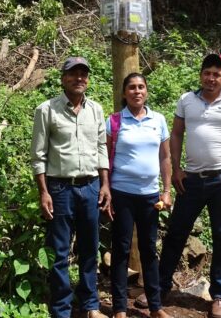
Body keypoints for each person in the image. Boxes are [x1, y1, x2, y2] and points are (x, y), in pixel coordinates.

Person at [138, 53, 221, 318]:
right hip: (191, 179)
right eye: (207, 73)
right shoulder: (186, 100)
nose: (211, 78)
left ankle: (220, 295)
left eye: (217, 74)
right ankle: (160, 288)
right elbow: (177, 134)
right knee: (176, 233)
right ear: (201, 75)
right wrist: (177, 169)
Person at [30, 56, 111, 318]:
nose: (79, 78)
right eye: (73, 74)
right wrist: (44, 192)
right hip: (60, 189)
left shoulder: (95, 110)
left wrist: (105, 185)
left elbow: (101, 148)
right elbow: (38, 155)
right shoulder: (47, 110)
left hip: (91, 187)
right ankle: (61, 310)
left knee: (90, 249)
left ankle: (90, 306)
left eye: (83, 74)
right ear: (63, 79)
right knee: (59, 252)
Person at [108, 73, 173, 318]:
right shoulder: (114, 121)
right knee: (121, 250)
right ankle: (119, 308)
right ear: (124, 93)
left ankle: (155, 307)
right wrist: (106, 189)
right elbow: (105, 157)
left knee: (149, 250)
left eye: (141, 87)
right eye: (132, 88)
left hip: (150, 196)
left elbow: (165, 157)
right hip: (121, 194)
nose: (137, 91)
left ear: (146, 91)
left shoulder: (158, 120)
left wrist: (166, 191)